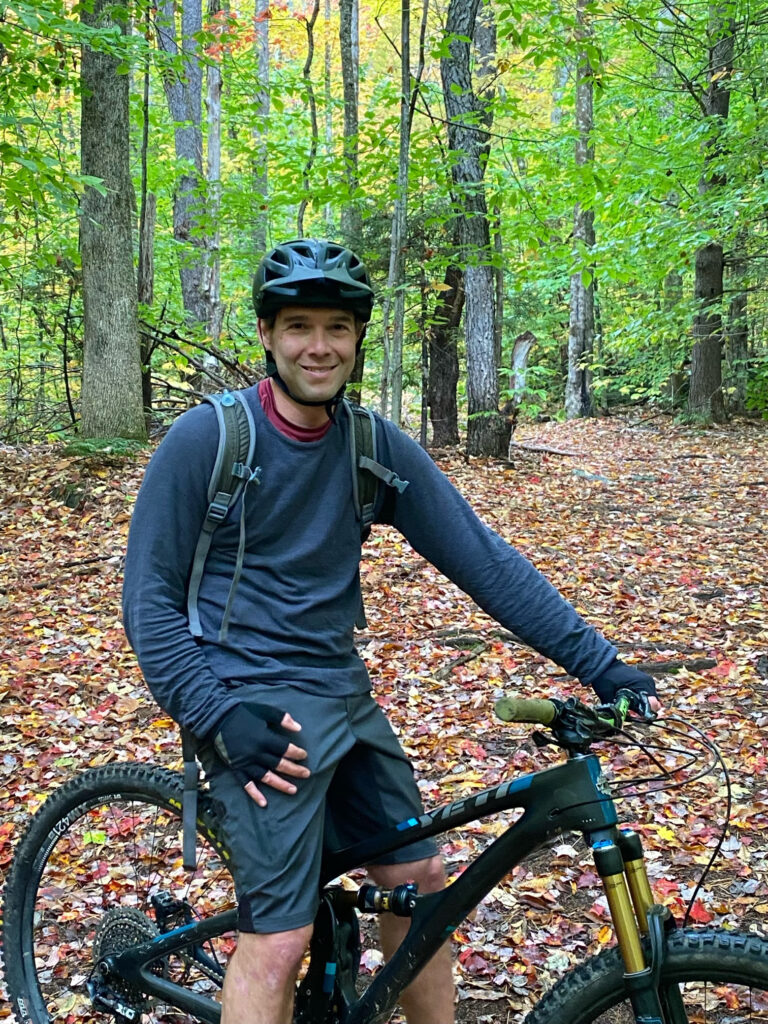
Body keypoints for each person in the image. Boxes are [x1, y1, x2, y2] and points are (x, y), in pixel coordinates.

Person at [122, 238, 659, 1024]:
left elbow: (486, 563)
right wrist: (216, 716)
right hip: (247, 705)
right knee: (278, 938)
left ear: (357, 338)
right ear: (267, 335)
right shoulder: (206, 442)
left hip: (341, 695)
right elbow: (149, 604)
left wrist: (604, 666)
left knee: (420, 885)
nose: (319, 346)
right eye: (298, 325)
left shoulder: (371, 448)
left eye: (336, 327)